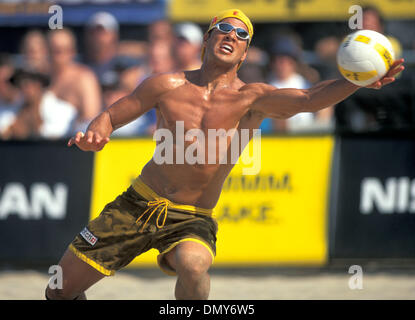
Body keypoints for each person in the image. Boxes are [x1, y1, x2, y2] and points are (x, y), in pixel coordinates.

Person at [45, 9, 404, 300]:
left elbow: (310, 99)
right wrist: (97, 131)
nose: (232, 36)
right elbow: (111, 114)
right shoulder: (166, 85)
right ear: (208, 38)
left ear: (245, 52)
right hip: (137, 204)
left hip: (191, 217)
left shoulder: (252, 99)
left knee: (194, 264)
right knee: (58, 290)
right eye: (224, 29)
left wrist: (354, 81)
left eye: (242, 34)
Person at [47, 28, 102, 134]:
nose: (56, 57)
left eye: (60, 51)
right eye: (52, 51)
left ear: (72, 52)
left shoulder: (84, 78)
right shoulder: (41, 77)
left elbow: (91, 118)